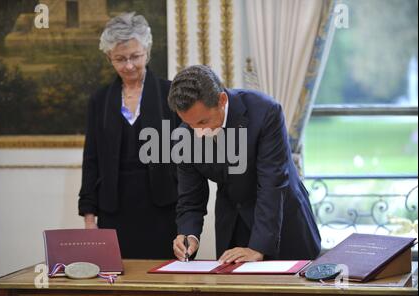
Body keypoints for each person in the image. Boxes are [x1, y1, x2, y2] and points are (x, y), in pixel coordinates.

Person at [168, 65, 321, 263]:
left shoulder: (265, 112)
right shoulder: (185, 136)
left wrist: (258, 247)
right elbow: (190, 196)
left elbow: (272, 184)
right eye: (191, 125)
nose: (198, 132)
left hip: (282, 223)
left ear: (222, 101)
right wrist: (189, 235)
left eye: (203, 122)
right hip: (233, 225)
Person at [78, 13, 180, 259]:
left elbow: (186, 160)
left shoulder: (170, 94)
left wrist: (188, 221)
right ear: (109, 58)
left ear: (147, 50)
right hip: (115, 211)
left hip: (164, 210)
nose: (129, 65)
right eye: (120, 59)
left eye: (135, 56)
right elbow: (91, 161)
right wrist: (90, 219)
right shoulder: (99, 101)